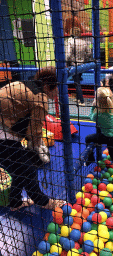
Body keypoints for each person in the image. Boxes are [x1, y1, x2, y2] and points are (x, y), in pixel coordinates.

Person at [0, 66, 65, 211]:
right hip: (3, 134)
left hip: (6, 129)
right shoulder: (40, 98)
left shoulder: (26, 83)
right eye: (58, 88)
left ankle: (15, 203)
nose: (59, 92)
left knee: (19, 169)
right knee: (28, 169)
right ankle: (44, 202)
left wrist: (35, 144)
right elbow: (33, 132)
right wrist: (38, 147)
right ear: (48, 86)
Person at [85, 87, 113, 166]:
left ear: (97, 101)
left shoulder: (98, 114)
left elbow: (91, 117)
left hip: (107, 137)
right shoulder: (112, 107)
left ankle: (91, 158)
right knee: (112, 153)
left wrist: (93, 106)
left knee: (88, 138)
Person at [65, 28, 92, 105]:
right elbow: (89, 53)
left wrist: (67, 62)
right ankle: (77, 98)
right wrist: (84, 59)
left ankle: (81, 100)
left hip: (74, 65)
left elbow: (68, 55)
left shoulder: (70, 41)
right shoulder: (84, 42)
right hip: (82, 65)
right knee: (77, 81)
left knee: (77, 83)